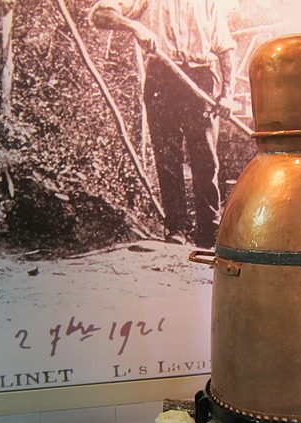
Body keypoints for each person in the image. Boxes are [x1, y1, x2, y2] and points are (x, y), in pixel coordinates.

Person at [90, 0, 236, 248]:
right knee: (167, 156)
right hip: (162, 76)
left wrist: (227, 93)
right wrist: (134, 26)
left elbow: (226, 48)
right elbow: (100, 14)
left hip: (201, 78)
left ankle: (209, 231)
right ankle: (177, 229)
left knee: (206, 158)